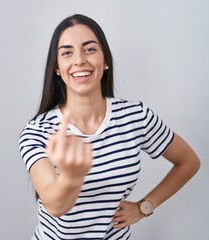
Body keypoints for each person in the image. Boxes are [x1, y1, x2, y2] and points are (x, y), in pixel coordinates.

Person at [18, 14, 200, 240]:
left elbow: (188, 162)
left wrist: (145, 206)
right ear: (57, 67)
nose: (79, 60)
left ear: (105, 61)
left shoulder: (136, 116)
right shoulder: (38, 131)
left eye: (89, 49)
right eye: (67, 52)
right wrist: (72, 176)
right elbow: (54, 204)